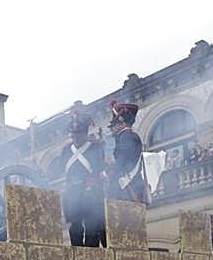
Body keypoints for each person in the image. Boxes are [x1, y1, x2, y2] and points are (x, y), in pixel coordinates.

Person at [60, 110, 108, 247]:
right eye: (74, 135)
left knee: (92, 226)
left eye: (79, 134)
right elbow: (60, 171)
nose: (76, 138)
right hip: (72, 194)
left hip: (90, 193)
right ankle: (76, 254)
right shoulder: (65, 151)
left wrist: (91, 184)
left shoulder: (96, 147)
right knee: (74, 227)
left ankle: (90, 254)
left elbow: (99, 168)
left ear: (85, 133)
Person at [108, 100, 149, 205]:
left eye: (115, 124)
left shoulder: (126, 137)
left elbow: (122, 159)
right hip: (131, 184)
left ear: (122, 123)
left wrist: (109, 173)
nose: (112, 128)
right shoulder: (126, 136)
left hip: (129, 186)